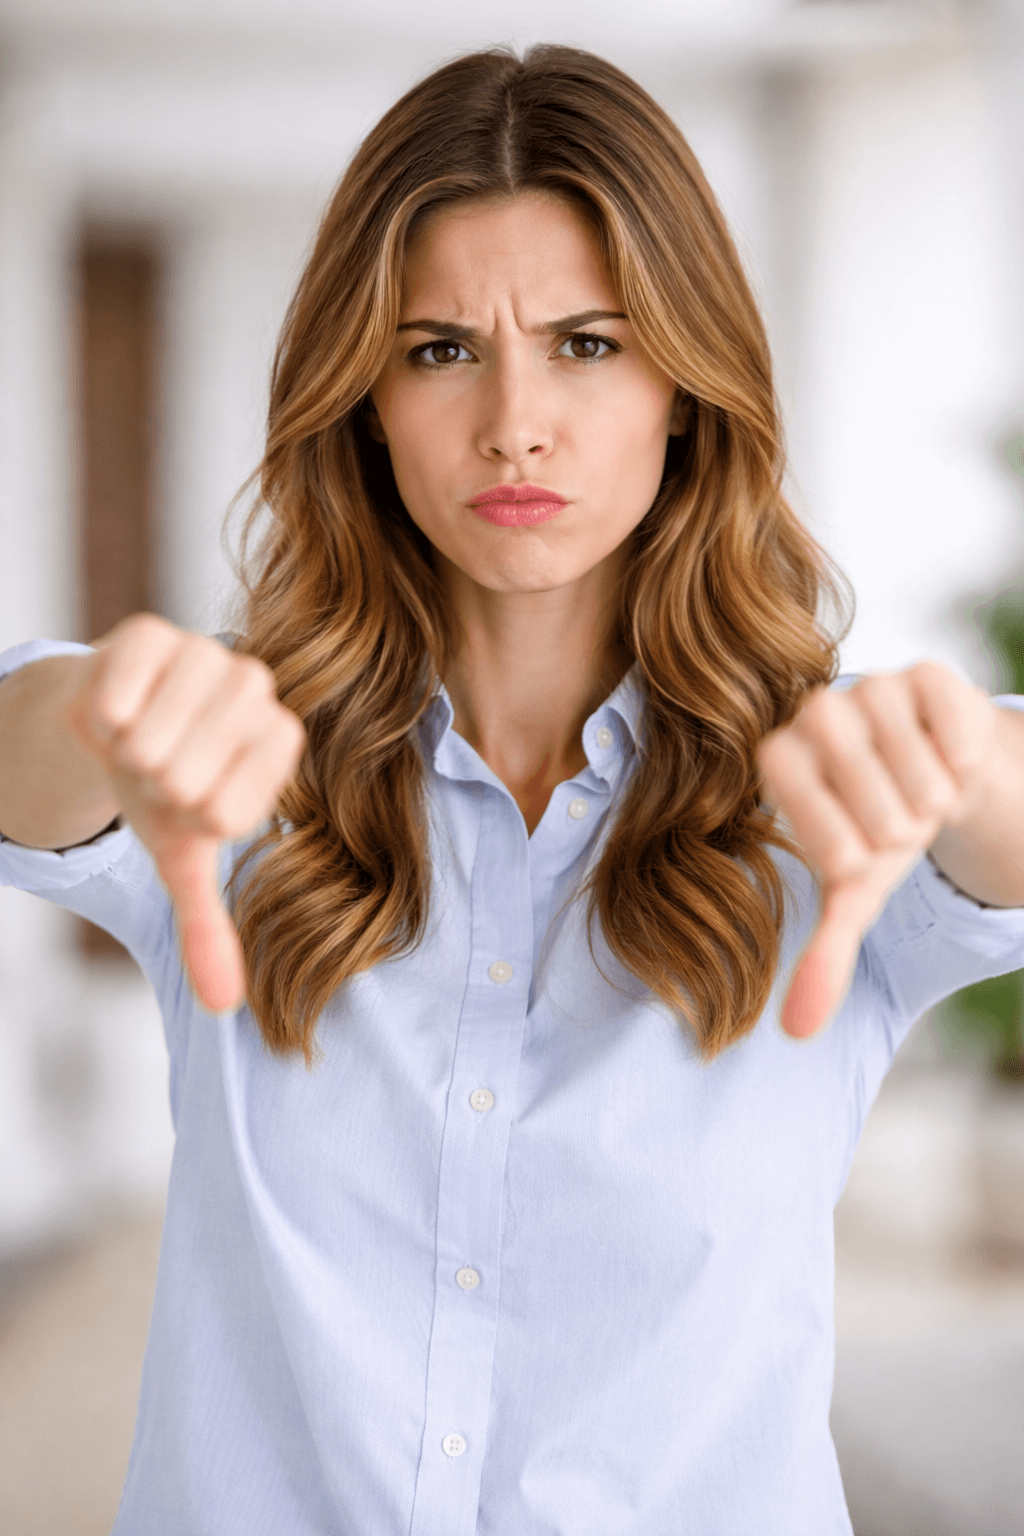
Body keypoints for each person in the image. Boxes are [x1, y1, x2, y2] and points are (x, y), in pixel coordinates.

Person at [1, 43, 1023, 1536]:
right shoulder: (232, 761)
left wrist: (974, 768)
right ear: (364, 399)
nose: (515, 423)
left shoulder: (829, 793)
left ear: (688, 388)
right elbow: (26, 750)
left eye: (587, 344)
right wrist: (94, 717)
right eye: (440, 351)